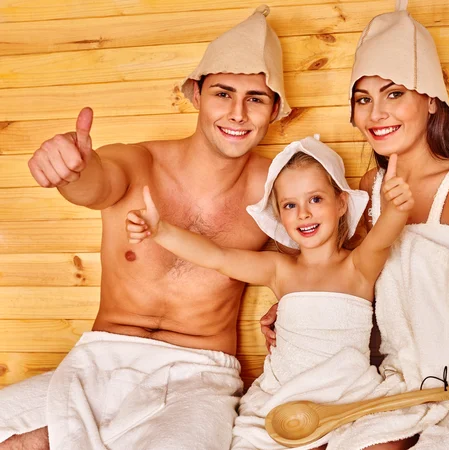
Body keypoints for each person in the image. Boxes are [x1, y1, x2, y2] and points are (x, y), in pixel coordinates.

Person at [261, 2, 449, 449]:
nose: (376, 113)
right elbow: (356, 267)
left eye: (394, 94)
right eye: (364, 100)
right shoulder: (371, 185)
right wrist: (302, 301)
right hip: (405, 378)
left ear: (433, 102)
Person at [0, 6, 291, 450]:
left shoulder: (276, 186)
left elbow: (313, 252)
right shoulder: (137, 161)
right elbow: (96, 185)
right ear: (196, 94)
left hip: (200, 374)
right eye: (222, 93)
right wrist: (70, 169)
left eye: (255, 98)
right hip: (99, 360)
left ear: (274, 110)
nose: (237, 113)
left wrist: (291, 302)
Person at [125, 136, 419, 450]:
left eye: (316, 199)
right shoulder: (280, 270)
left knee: (389, 442)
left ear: (341, 203)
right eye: (290, 205)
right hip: (287, 398)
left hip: (348, 395)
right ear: (280, 215)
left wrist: (396, 207)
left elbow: (383, 238)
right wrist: (161, 232)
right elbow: (217, 258)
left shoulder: (357, 267)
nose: (304, 213)